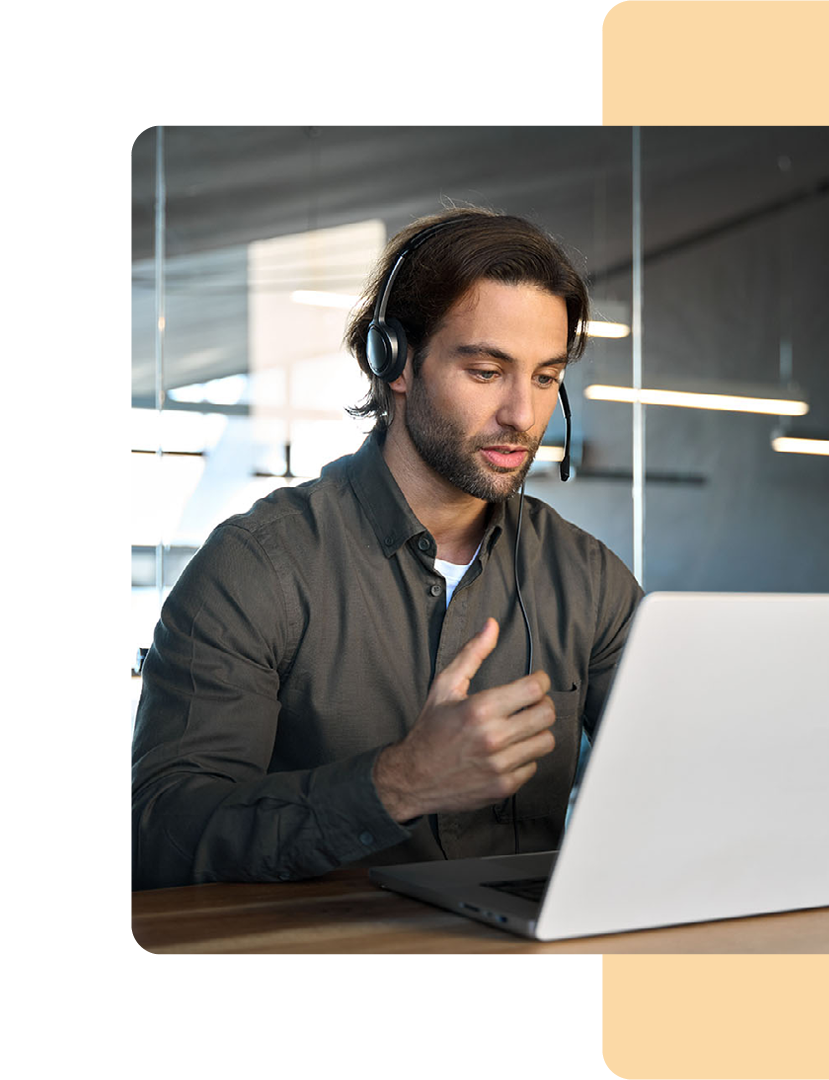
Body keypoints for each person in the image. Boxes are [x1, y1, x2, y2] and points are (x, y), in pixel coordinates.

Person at [131, 208, 643, 890]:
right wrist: (398, 783)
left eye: (546, 377)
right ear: (395, 362)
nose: (523, 415)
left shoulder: (590, 580)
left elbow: (681, 785)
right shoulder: (258, 567)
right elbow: (160, 834)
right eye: (488, 371)